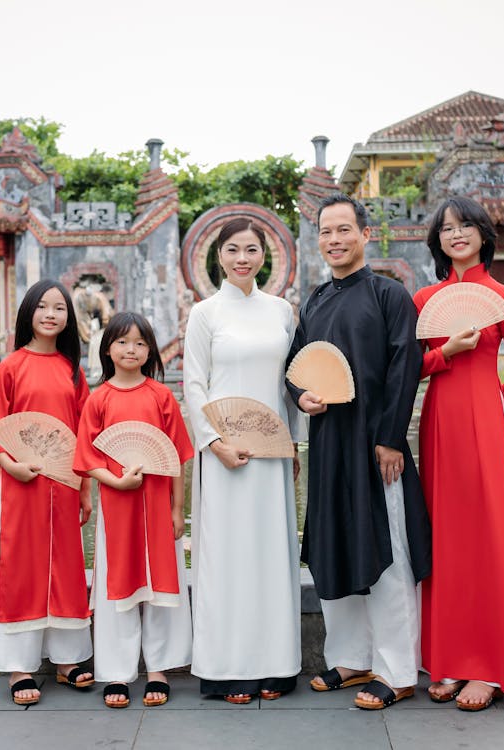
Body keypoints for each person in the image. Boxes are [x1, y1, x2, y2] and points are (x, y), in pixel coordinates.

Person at [286, 193, 430, 710]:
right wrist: (299, 396)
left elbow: (404, 367)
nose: (335, 240)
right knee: (334, 547)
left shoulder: (390, 296)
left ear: (366, 235)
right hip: (328, 444)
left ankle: (397, 669)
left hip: (374, 446)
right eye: (326, 232)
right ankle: (351, 658)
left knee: (386, 554)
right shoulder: (316, 302)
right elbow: (294, 367)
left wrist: (391, 438)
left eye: (344, 230)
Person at [415, 195, 504, 711]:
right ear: (437, 241)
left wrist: (493, 402)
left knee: (487, 540)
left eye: (465, 225)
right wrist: (448, 353)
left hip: (486, 426)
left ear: (483, 234)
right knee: (443, 542)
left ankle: (487, 668)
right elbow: (409, 370)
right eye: (447, 228)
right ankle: (446, 661)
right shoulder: (423, 299)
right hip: (439, 423)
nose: (456, 234)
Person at [183, 218, 305, 704]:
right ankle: (225, 669)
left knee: (272, 556)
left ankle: (276, 666)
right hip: (224, 453)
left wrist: (292, 444)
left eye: (252, 250)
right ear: (218, 257)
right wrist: (214, 443)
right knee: (226, 557)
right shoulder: (205, 314)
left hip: (272, 452)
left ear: (264, 255)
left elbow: (286, 385)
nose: (242, 258)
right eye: (232, 250)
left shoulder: (281, 311)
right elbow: (194, 384)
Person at [0, 280, 95, 706]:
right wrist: (11, 464)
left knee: (66, 563)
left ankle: (66, 659)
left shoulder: (71, 370)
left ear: (68, 318)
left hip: (64, 481)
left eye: (59, 308)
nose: (51, 314)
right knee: (22, 564)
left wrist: (85, 490)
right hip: (21, 481)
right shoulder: (11, 366)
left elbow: (83, 434)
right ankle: (18, 666)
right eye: (42, 306)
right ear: (28, 314)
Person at [73, 312, 194, 710]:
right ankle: (118, 672)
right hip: (116, 506)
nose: (131, 350)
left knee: (160, 585)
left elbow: (176, 458)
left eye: (140, 343)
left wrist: (179, 511)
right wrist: (115, 482)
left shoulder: (161, 397)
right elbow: (87, 458)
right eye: (123, 342)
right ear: (107, 348)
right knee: (116, 586)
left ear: (150, 351)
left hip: (159, 507)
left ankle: (158, 668)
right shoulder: (99, 398)